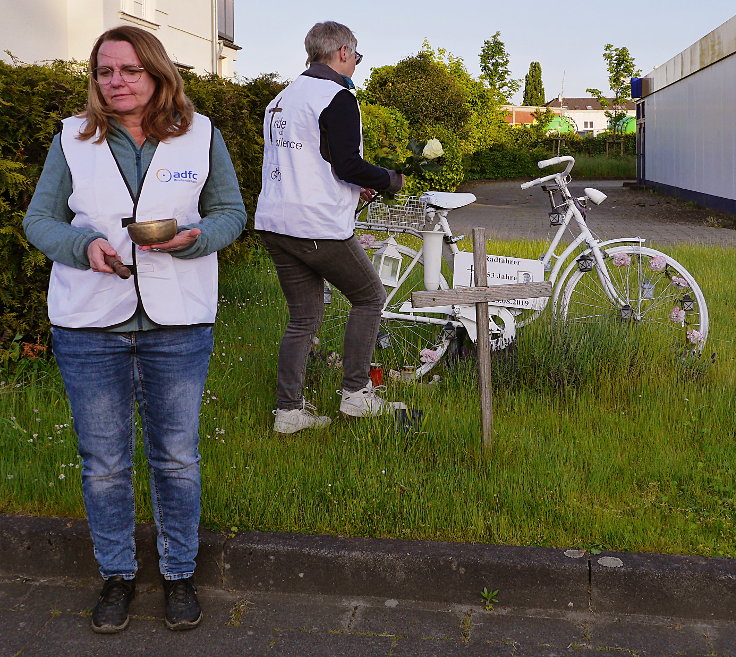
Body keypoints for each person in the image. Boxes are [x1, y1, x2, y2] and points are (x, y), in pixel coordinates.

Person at [23, 25, 246, 633]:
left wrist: (199, 238)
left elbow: (231, 212)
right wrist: (81, 243)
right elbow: (39, 220)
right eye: (104, 72)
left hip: (178, 320)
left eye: (129, 70)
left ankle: (178, 575)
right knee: (104, 463)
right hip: (90, 321)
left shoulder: (200, 134)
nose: (116, 82)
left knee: (176, 458)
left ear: (157, 73)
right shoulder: (73, 137)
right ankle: (117, 575)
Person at [254, 21, 407, 434]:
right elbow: (347, 164)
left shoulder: (281, 100)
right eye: (357, 56)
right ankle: (357, 395)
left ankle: (288, 412)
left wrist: (353, 189)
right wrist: (389, 179)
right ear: (342, 51)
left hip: (274, 221)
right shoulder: (336, 97)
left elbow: (307, 162)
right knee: (370, 297)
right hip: (315, 224)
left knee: (304, 317)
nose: (356, 63)